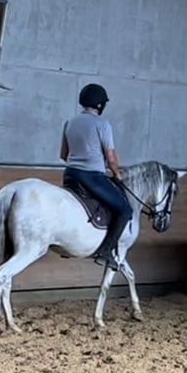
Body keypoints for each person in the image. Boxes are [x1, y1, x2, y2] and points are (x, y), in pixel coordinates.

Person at [60, 83, 132, 271]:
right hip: (91, 176)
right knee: (125, 210)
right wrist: (117, 175)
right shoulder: (102, 124)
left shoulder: (70, 122)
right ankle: (106, 252)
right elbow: (110, 157)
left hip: (70, 175)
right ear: (100, 105)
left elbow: (63, 155)